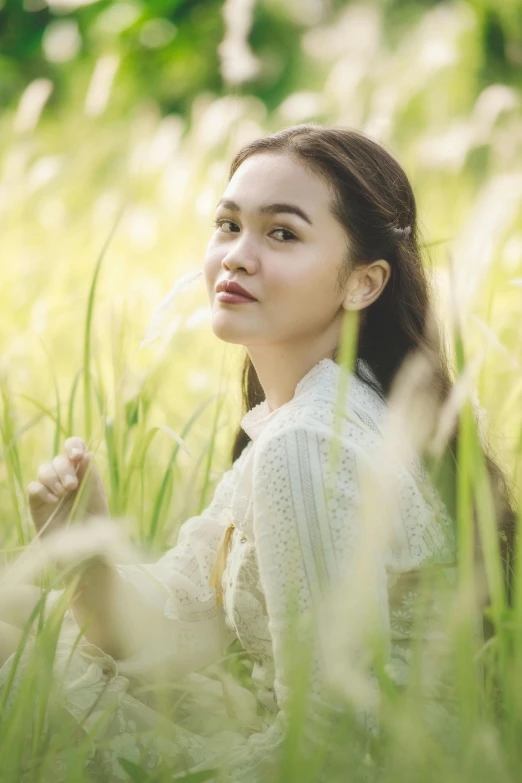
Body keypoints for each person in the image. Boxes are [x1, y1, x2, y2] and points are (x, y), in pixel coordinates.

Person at [0, 124, 516, 782]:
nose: (238, 255)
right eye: (228, 224)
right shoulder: (312, 416)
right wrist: (85, 542)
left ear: (364, 282)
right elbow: (168, 634)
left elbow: (335, 743)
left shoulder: (308, 443)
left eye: (282, 233)